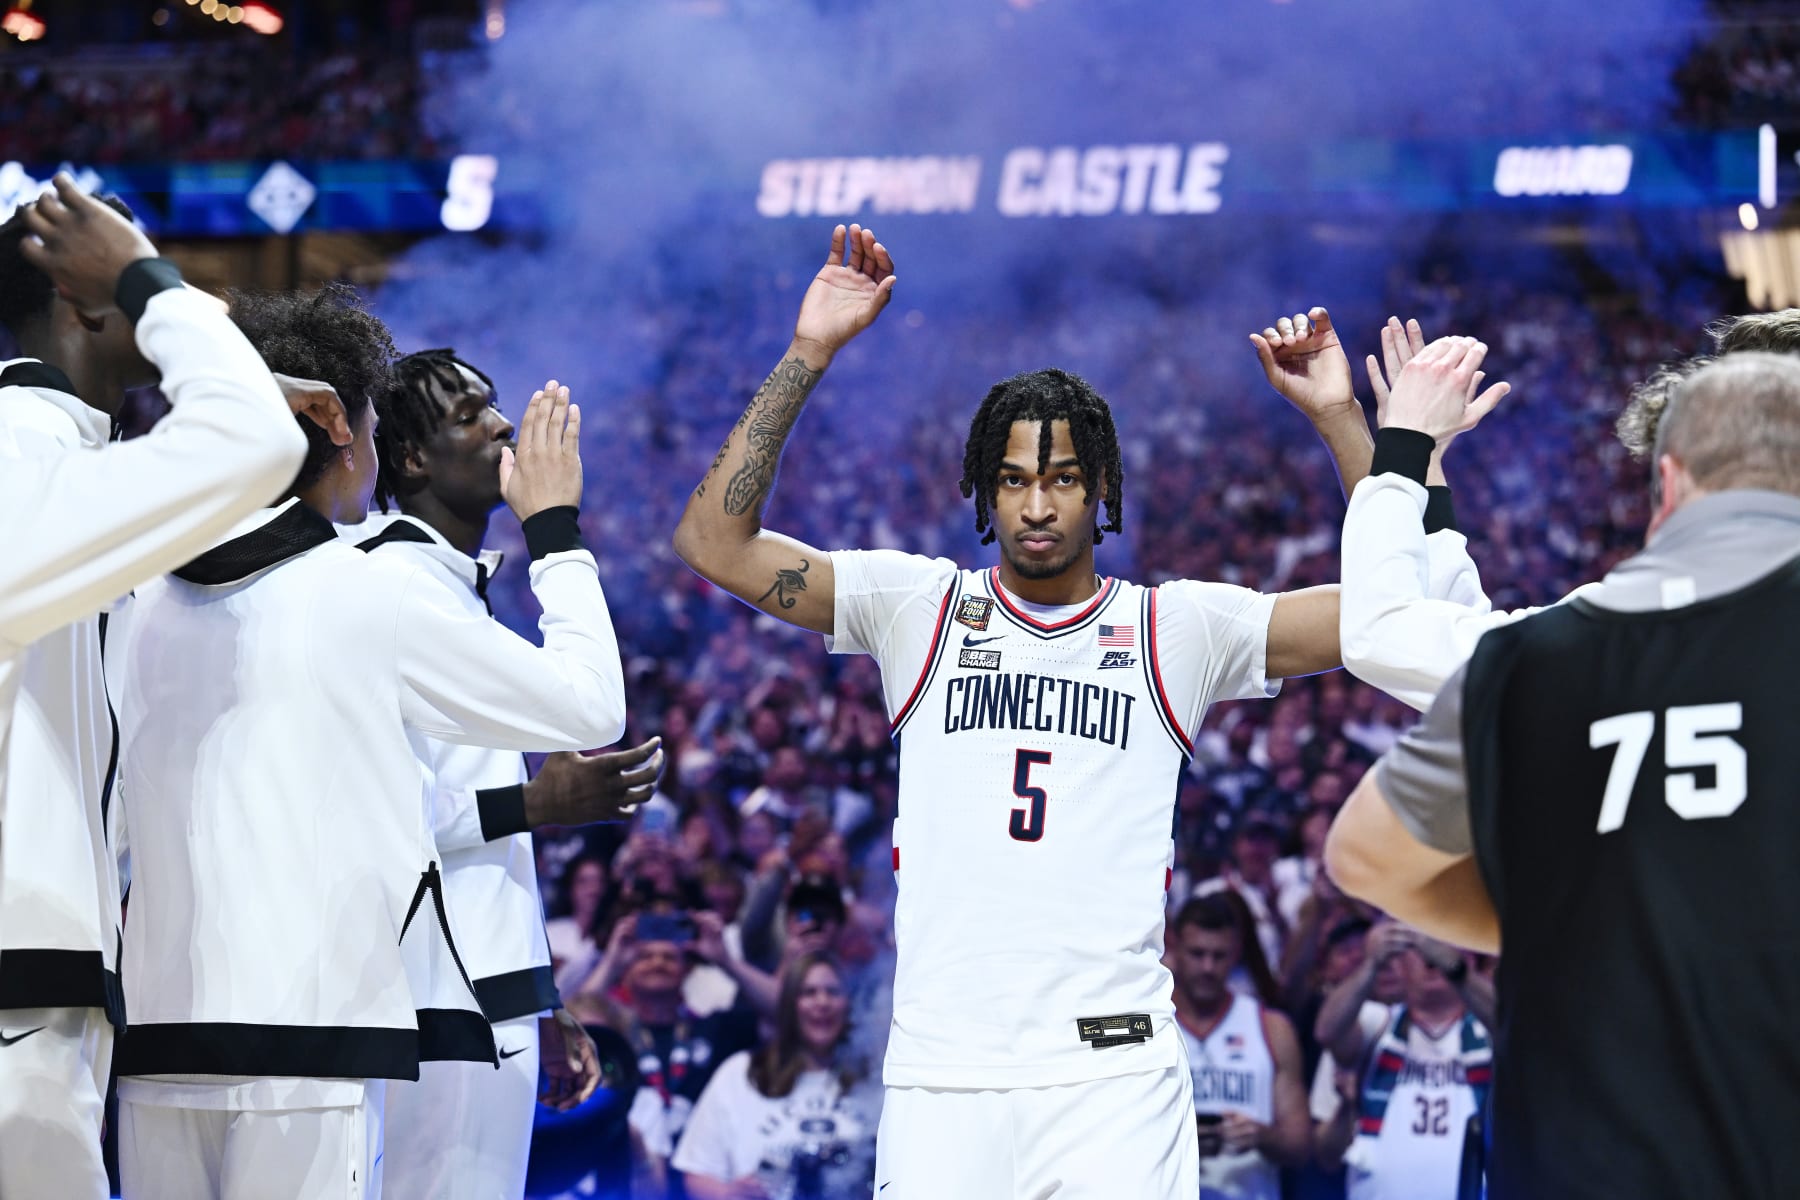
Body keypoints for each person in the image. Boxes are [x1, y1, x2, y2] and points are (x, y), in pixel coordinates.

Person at [673, 225, 1346, 1199]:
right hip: (947, 1067)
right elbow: (712, 540)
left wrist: (1342, 423)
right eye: (1017, 479)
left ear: (1102, 487)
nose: (1039, 504)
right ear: (986, 490)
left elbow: (1391, 612)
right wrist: (807, 351)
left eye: (1064, 477)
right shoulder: (919, 606)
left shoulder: (1176, 628)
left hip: (1111, 1072)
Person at [107, 287, 629, 1199]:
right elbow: (590, 708)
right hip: (311, 1048)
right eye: (376, 425)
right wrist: (554, 532)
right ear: (333, 425)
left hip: (155, 1039)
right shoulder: (368, 590)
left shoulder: (137, 597)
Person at [1326, 352, 1800, 1198]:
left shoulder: (1560, 654)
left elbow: (1401, 643)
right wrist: (1431, 487)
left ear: (1671, 478)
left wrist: (1402, 450)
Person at [0, 174, 307, 1199]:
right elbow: (258, 442)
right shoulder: (18, 453)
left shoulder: (52, 465)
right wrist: (150, 279)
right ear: (86, 300)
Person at [359, 346, 667, 1200]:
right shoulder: (394, 583)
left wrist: (541, 991)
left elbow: (460, 819)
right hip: (429, 1000)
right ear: (411, 457)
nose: (501, 426)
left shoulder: (448, 585)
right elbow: (371, 813)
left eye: (494, 405)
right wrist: (555, 529)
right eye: (469, 415)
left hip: (483, 990)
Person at [675, 954, 883, 1200]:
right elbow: (697, 1173)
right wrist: (729, 1193)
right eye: (809, 992)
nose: (822, 1002)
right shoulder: (741, 1074)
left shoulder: (875, 1079)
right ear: (789, 1005)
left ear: (849, 1004)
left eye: (833, 992)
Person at [1312, 931, 1493, 1200]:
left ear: (1470, 955)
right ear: (1399, 962)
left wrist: (1458, 971)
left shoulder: (1487, 1032)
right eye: (1420, 947)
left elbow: (1517, 1031)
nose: (1433, 959)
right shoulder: (1378, 1023)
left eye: (1446, 943)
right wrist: (1371, 965)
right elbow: (1327, 1032)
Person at [1167, 894, 1309, 1200]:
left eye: (1219, 956)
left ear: (1236, 954)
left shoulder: (1270, 1027)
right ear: (1175, 948)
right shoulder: (1154, 1023)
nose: (1208, 967)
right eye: (1197, 953)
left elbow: (1301, 1144)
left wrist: (1261, 1136)